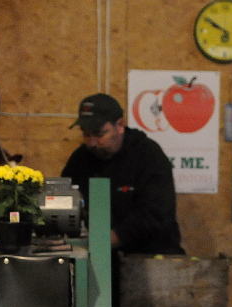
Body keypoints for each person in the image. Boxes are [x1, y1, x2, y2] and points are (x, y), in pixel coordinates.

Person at [61, 93, 184, 255]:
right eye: (86, 134)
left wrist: (113, 237)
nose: (92, 142)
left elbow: (157, 213)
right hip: (99, 257)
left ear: (119, 125)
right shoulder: (80, 160)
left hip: (150, 257)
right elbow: (65, 200)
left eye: (99, 134)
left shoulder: (148, 155)